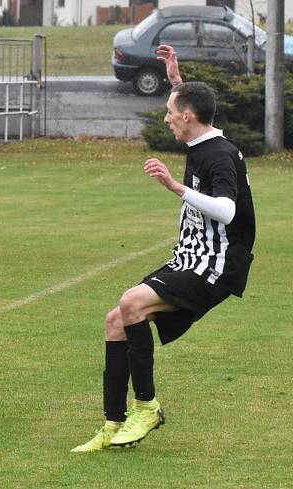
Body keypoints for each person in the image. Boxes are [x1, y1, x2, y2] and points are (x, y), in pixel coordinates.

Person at [71, 44, 255, 452]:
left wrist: (176, 187)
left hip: (217, 263)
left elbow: (227, 210)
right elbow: (193, 103)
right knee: (116, 319)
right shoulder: (202, 137)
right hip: (190, 255)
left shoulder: (220, 156)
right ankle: (112, 424)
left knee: (131, 303)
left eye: (171, 111)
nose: (167, 117)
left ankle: (148, 406)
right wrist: (175, 79)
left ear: (187, 117)